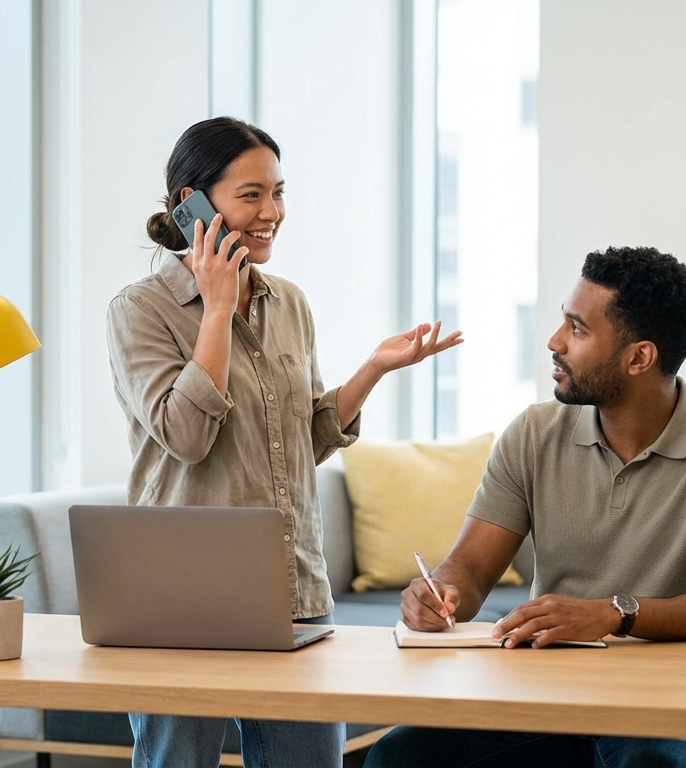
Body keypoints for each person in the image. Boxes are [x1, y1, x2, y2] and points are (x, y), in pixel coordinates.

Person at [107, 117, 462, 768]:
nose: (272, 213)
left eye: (279, 192)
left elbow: (307, 441)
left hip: (292, 588)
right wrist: (216, 310)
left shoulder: (289, 302)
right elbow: (185, 436)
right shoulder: (140, 311)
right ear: (192, 203)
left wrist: (374, 369)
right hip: (182, 601)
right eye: (251, 195)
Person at [364, 247, 686, 768]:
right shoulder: (534, 434)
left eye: (577, 329)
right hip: (548, 700)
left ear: (639, 358)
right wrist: (440, 594)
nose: (554, 342)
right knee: (401, 757)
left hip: (679, 705)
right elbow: (470, 571)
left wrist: (614, 614)